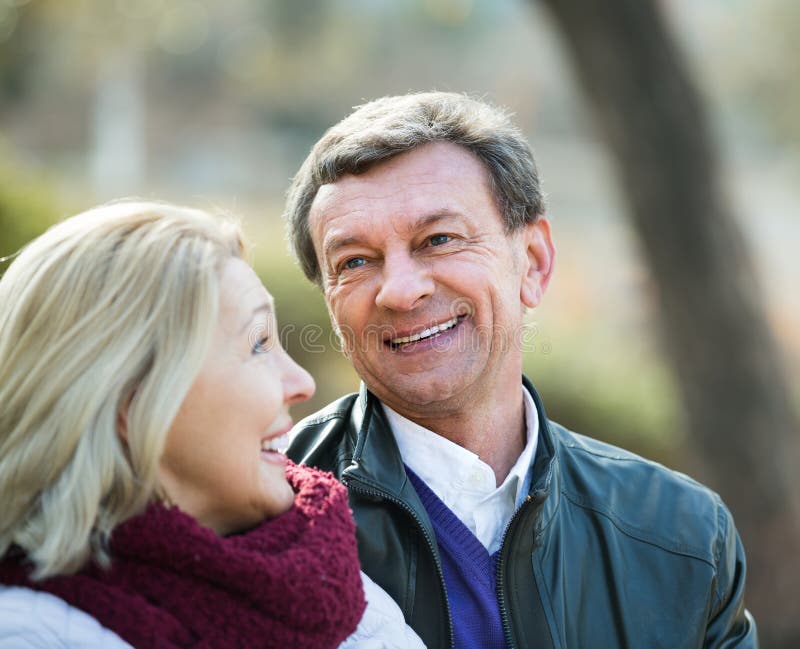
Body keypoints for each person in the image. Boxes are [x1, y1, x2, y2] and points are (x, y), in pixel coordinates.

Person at [285, 92, 758, 648]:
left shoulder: (683, 539)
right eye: (355, 262)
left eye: (439, 239)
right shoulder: (265, 518)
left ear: (532, 262)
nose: (401, 290)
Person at [0, 201, 425, 648]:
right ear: (131, 397)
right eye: (259, 343)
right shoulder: (29, 633)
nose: (301, 382)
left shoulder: (334, 589)